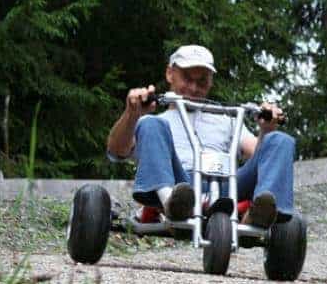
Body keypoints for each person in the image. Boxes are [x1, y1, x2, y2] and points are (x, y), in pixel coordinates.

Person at [106, 44, 295, 227]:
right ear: (170, 74)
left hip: (227, 186)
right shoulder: (157, 123)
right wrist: (132, 114)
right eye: (187, 79)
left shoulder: (227, 120)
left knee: (280, 141)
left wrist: (266, 129)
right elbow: (116, 152)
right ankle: (171, 203)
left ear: (211, 81)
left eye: (202, 81)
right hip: (181, 185)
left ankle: (258, 214)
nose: (194, 88)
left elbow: (261, 156)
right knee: (150, 122)